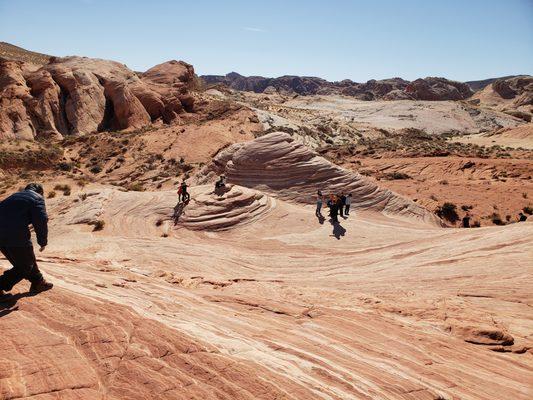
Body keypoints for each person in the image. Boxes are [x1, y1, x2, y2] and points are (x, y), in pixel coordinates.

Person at [0, 183, 53, 299]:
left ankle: (38, 282)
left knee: (28, 259)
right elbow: (41, 221)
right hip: (15, 235)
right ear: (41, 192)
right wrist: (42, 241)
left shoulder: (13, 196)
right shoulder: (37, 198)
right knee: (25, 266)